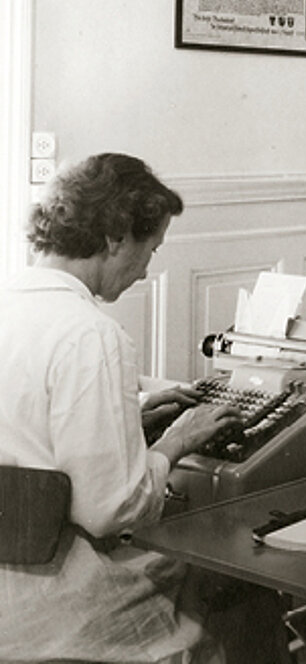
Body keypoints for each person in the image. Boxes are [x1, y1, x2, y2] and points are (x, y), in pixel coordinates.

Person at [0, 153, 273, 663]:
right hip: (57, 602)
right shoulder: (91, 334)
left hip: (8, 586)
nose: (147, 270)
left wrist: (131, 420)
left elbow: (31, 433)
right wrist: (175, 442)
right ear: (114, 238)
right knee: (237, 582)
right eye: (150, 249)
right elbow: (109, 509)